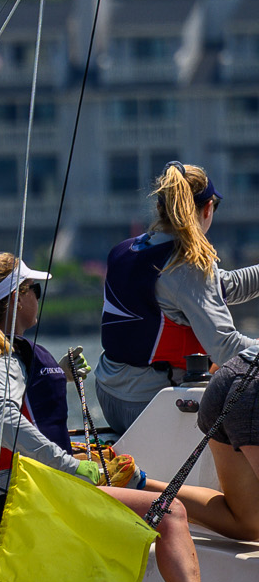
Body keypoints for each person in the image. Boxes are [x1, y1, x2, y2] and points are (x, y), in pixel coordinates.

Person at [0, 252, 202, 582]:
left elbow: (18, 395)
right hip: (15, 498)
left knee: (160, 513)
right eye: (33, 288)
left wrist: (58, 374)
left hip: (38, 489)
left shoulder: (3, 352)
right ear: (18, 298)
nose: (38, 296)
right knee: (169, 512)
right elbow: (5, 421)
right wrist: (72, 466)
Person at [96, 162, 259, 435]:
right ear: (207, 209)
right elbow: (226, 348)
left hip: (110, 396)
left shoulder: (127, 249)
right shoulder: (185, 267)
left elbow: (222, 286)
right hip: (151, 405)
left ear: (160, 208)